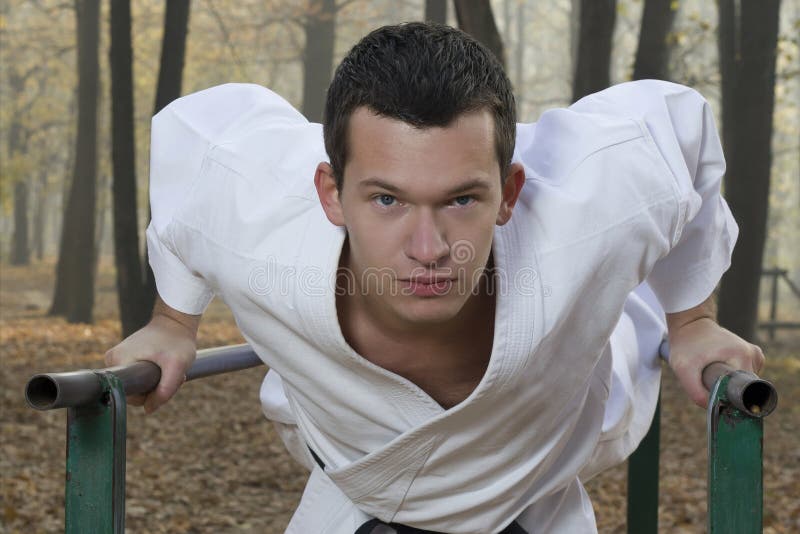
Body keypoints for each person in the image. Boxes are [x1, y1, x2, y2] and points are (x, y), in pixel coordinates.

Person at [106, 22, 764, 533]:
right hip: (339, 434)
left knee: (621, 317)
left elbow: (678, 124)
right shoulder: (260, 217)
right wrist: (173, 323)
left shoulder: (598, 202)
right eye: (387, 200)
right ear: (330, 193)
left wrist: (691, 322)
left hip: (564, 402)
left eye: (460, 200)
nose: (428, 249)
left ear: (509, 193)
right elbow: (195, 134)